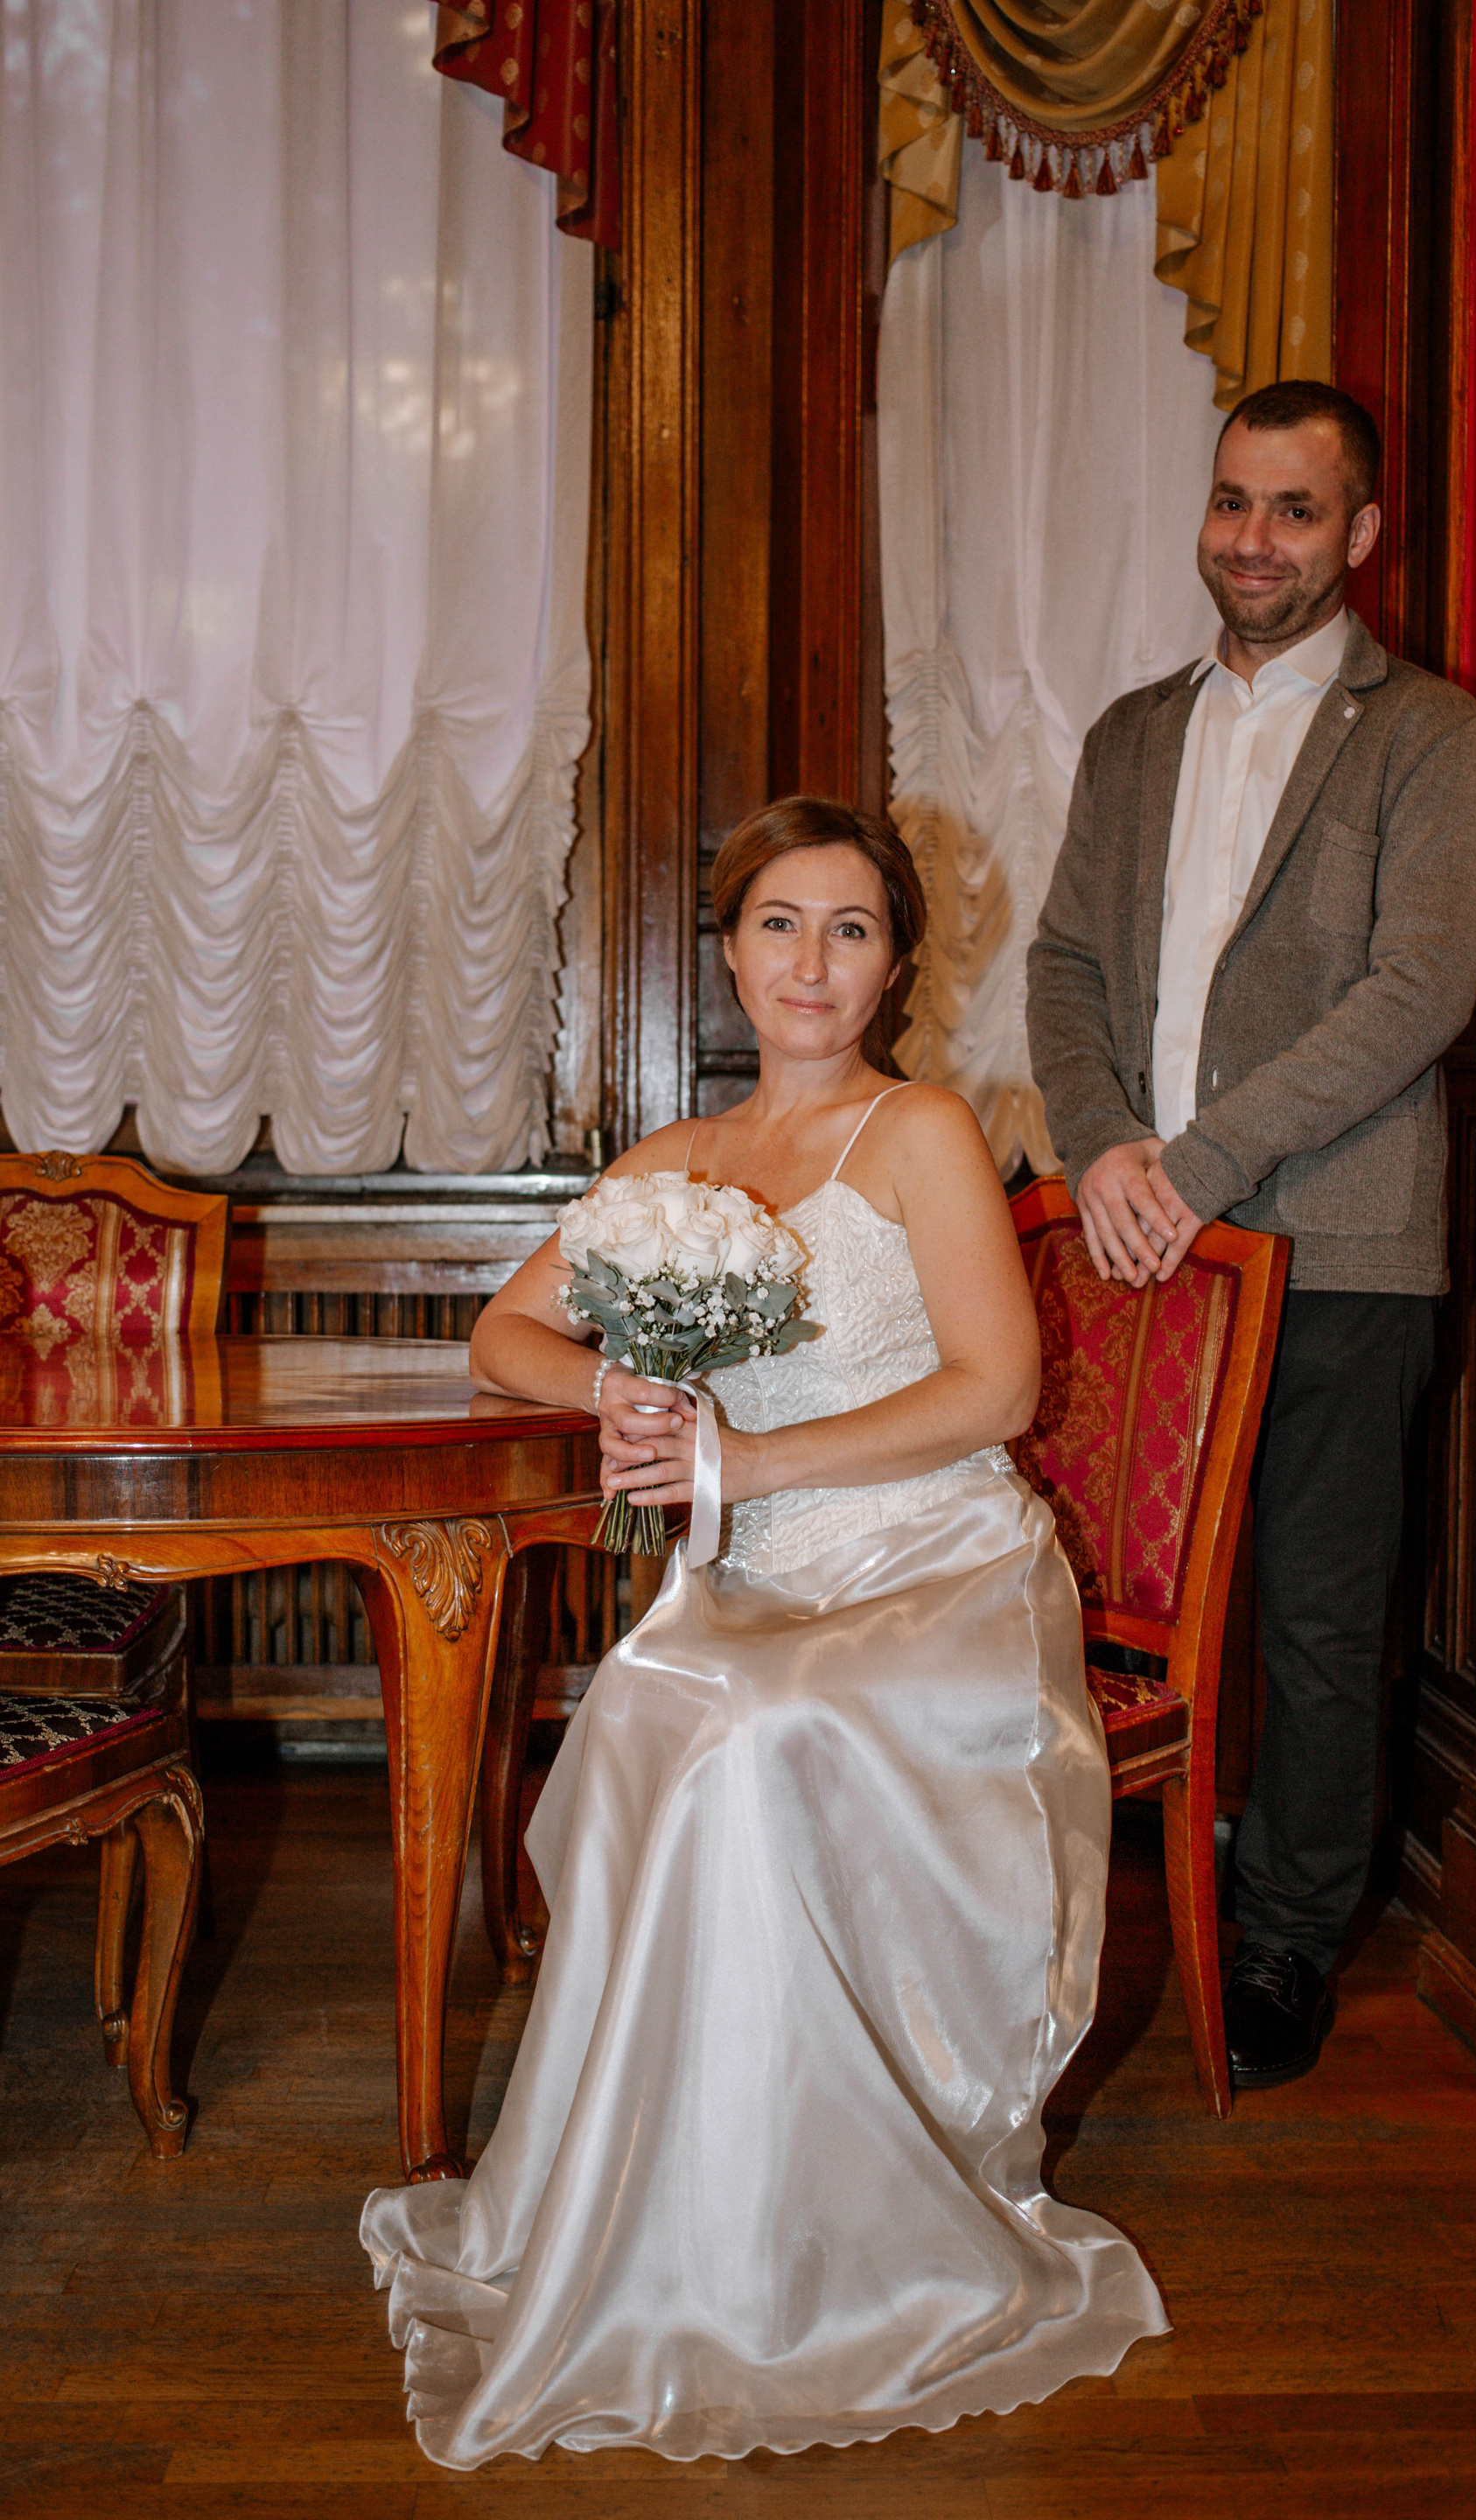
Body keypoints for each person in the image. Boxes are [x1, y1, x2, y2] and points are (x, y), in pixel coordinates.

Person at [360, 796, 1167, 2468]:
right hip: (761, 1580)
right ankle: (660, 2195)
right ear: (729, 955)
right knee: (652, 1698)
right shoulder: (674, 1169)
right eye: (781, 924)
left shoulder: (922, 1130)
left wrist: (748, 1459)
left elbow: (997, 1392)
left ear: (894, 966)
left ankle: (819, 2229)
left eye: (852, 929)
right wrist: (617, 1388)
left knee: (737, 1727)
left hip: (938, 1570)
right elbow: (502, 1337)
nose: (813, 961)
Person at [1026, 381, 1476, 2094]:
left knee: (1316, 1622)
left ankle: (1291, 1935)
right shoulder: (1130, 734)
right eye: (1233, 500)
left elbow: (1418, 990)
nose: (1253, 538)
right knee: (1091, 1604)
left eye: (1295, 509)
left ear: (1358, 532)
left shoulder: (1428, 730)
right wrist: (1103, 1151)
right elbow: (1065, 969)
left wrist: (1201, 1163)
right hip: (1137, 1250)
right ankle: (1073, 1912)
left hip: (1338, 1247)